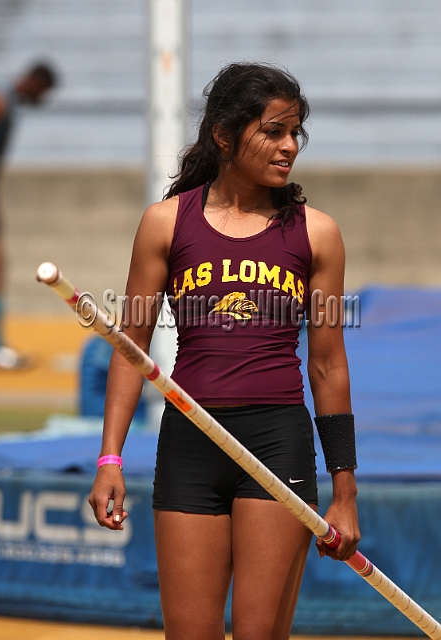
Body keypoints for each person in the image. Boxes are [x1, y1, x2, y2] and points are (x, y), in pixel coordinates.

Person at [89, 62, 360, 640]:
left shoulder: (318, 233)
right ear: (224, 135)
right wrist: (109, 458)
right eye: (274, 131)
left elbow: (328, 363)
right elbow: (131, 345)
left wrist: (344, 493)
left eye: (296, 134)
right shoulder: (166, 223)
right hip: (191, 441)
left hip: (276, 446)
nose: (289, 147)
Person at [0, 62, 57, 369]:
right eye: (43, 92)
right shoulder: (1, 100)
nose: (42, 100)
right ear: (34, 81)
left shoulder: (7, 100)